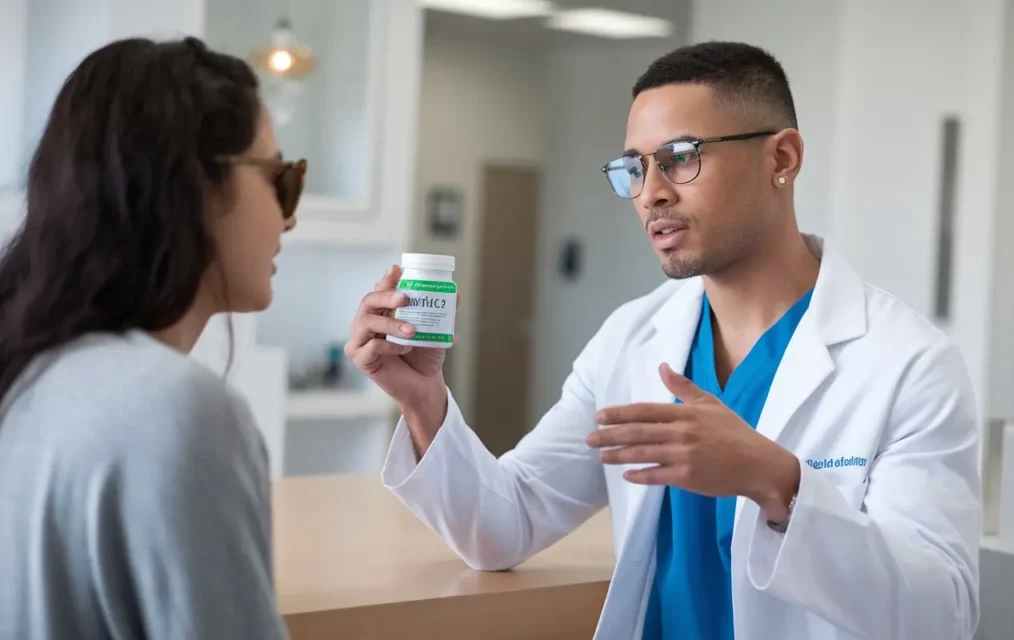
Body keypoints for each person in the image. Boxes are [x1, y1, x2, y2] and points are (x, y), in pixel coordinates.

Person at [346, 42, 981, 640]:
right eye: (634, 167)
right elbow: (504, 526)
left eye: (681, 156)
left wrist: (778, 483)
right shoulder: (632, 338)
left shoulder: (908, 365)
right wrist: (424, 401)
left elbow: (943, 614)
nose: (651, 192)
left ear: (781, 160)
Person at [0, 37, 306, 639]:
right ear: (197, 186)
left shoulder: (30, 371)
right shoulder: (179, 408)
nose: (289, 215)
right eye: (279, 178)